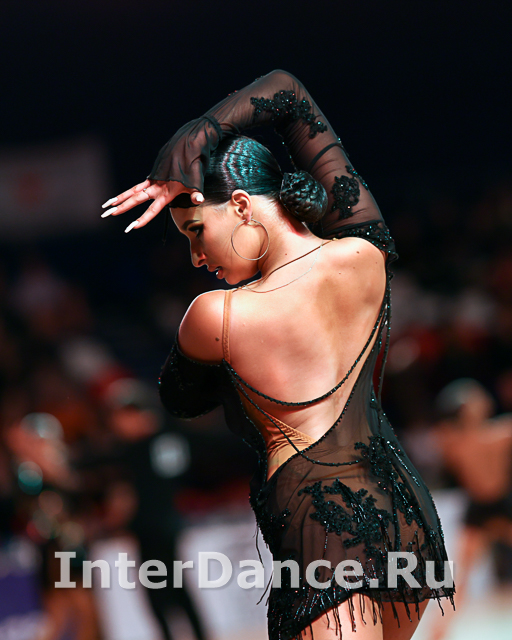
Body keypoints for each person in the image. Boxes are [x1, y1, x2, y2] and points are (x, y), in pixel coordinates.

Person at [102, 70, 456, 640]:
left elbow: (179, 399)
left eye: (196, 231)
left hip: (327, 532)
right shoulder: (365, 254)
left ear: (242, 205)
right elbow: (289, 95)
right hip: (408, 520)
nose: (196, 257)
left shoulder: (217, 316)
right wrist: (196, 137)